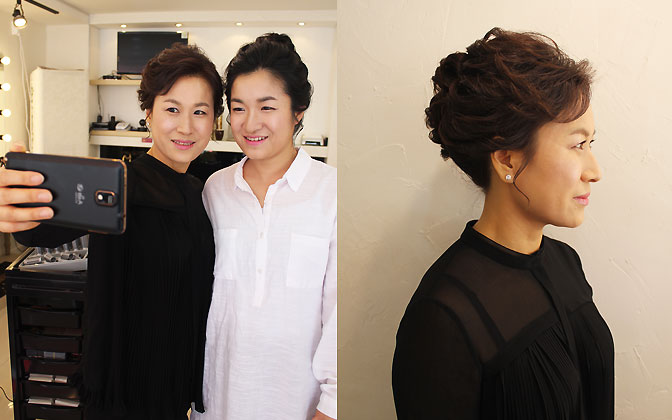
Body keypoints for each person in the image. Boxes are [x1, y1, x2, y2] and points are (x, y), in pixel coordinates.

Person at [392, 28, 614, 420]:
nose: (594, 171)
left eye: (590, 143)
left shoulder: (565, 262)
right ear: (507, 160)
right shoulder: (443, 315)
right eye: (577, 145)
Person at [0, 44, 223, 419]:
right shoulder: (119, 184)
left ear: (214, 119)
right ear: (148, 114)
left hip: (174, 385)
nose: (186, 126)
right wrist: (17, 201)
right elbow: (40, 228)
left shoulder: (202, 191)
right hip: (123, 393)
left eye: (199, 111)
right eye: (172, 109)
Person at [191, 33, 337, 420]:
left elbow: (340, 310)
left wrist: (332, 405)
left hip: (299, 403)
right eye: (238, 108)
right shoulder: (214, 189)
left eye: (267, 107)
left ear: (298, 110)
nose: (250, 123)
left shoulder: (332, 192)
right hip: (219, 399)